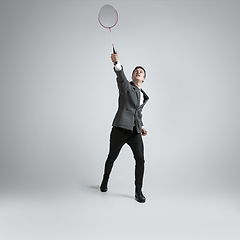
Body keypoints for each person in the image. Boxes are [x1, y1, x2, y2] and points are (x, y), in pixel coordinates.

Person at [100, 52, 149, 203]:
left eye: (140, 72)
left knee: (140, 159)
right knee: (112, 157)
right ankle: (104, 181)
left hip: (134, 132)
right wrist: (117, 64)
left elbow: (137, 113)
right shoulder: (126, 87)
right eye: (136, 71)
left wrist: (141, 126)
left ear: (143, 79)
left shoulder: (143, 95)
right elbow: (121, 77)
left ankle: (138, 191)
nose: (137, 72)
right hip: (120, 129)